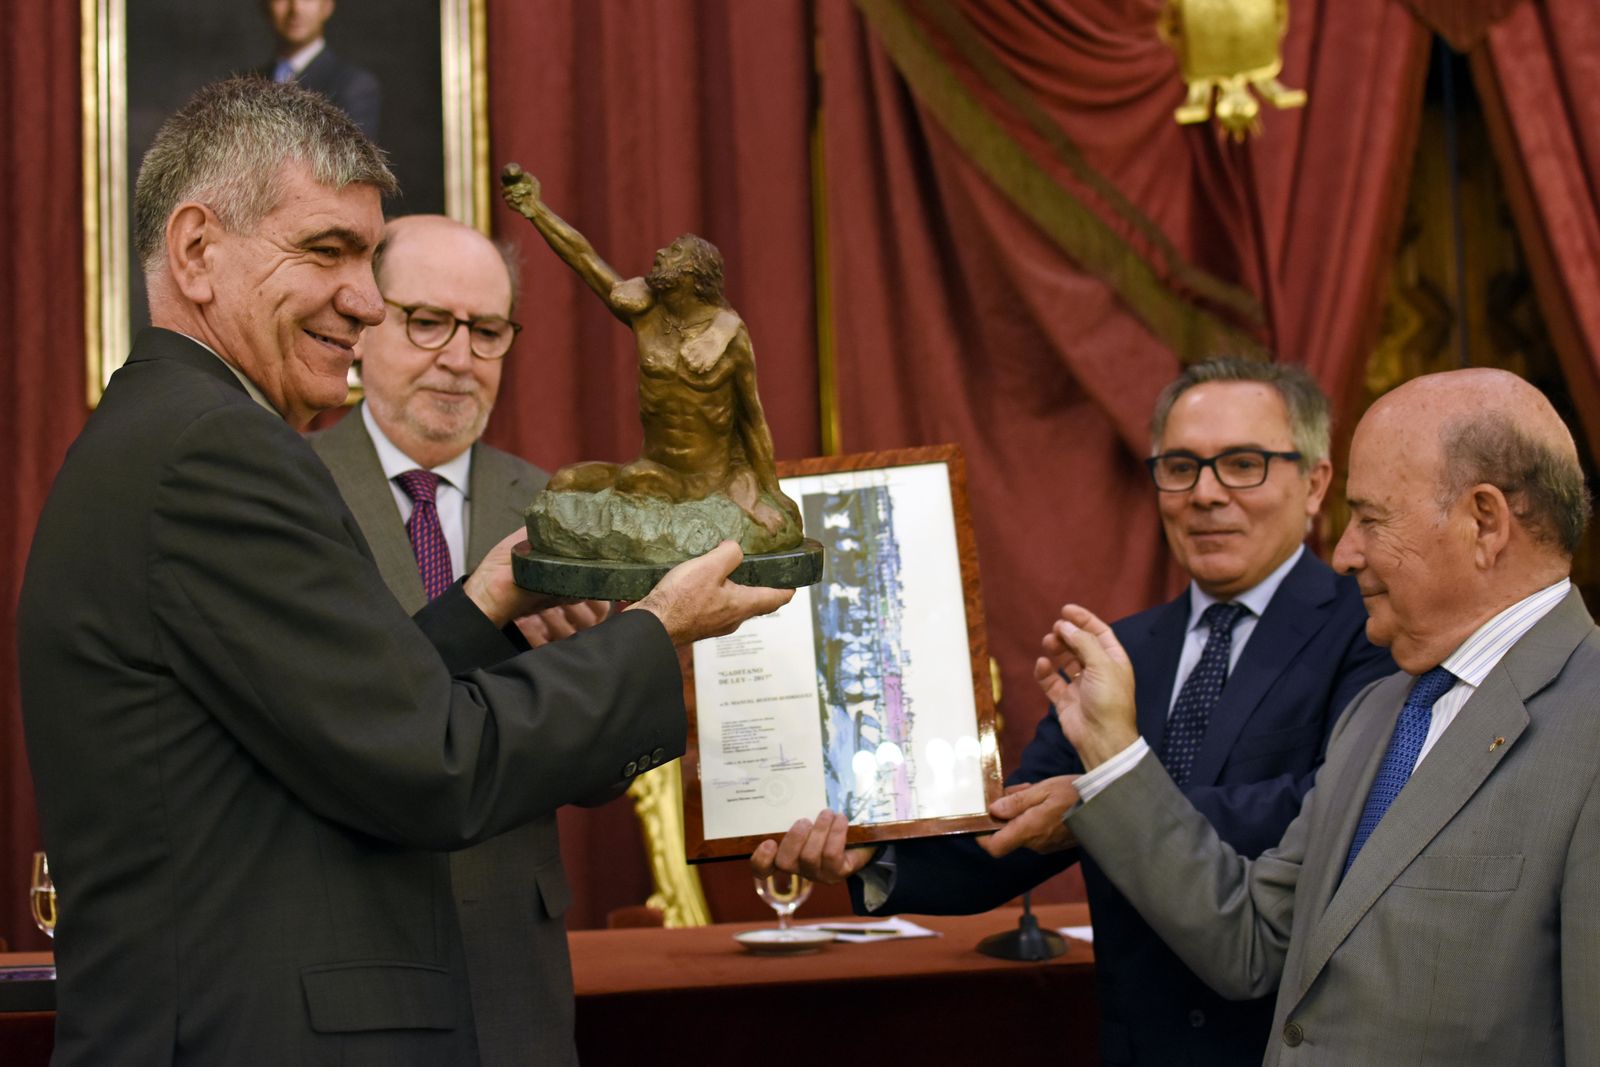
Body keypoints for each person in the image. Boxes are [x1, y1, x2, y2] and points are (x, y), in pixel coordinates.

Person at [18, 77, 790, 1065]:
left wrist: (482, 602)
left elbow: (328, 719)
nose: (365, 299)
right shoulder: (215, 449)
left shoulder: (168, 428)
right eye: (327, 251)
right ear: (198, 251)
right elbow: (428, 760)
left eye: (365, 258)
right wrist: (656, 629)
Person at [755, 359, 1395, 1065]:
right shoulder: (1123, 649)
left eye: (1243, 464)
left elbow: (1329, 808)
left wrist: (1100, 805)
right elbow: (1021, 821)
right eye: (1179, 466)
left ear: (1315, 483)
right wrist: (876, 851)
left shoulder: (1372, 631)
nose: (1206, 493)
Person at [1029, 368, 1597, 1065]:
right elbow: (1251, 942)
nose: (1346, 550)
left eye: (1371, 518)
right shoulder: (1379, 710)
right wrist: (1114, 750)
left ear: (1484, 522)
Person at [310, 213, 606, 1066]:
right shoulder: (291, 492)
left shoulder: (561, 508)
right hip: (353, 954)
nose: (459, 356)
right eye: (427, 320)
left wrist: (582, 682)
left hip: (517, 961)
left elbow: (603, 775)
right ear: (365, 325)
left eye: (486, 330)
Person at [500, 165, 800, 538]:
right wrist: (534, 209)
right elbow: (583, 258)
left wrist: (771, 490)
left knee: (637, 479)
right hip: (652, 465)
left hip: (702, 479)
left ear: (695, 273)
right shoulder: (646, 315)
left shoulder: (728, 337)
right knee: (565, 480)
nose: (660, 252)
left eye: (675, 251)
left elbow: (753, 421)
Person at [256, 0, 380, 139]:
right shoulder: (249, 83)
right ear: (264, 5)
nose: (296, 8)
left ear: (327, 6)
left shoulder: (354, 86)